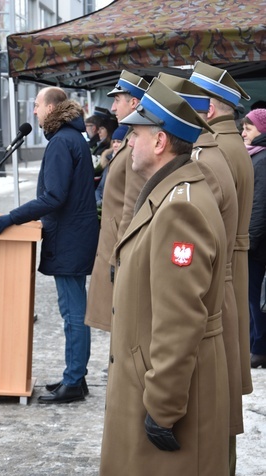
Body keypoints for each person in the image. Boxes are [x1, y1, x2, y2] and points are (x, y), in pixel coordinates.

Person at [97, 78, 233, 476]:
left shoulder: (180, 206)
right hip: (150, 379)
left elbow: (179, 321)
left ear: (159, 141)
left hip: (163, 392)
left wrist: (162, 408)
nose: (126, 139)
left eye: (134, 133)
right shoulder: (171, 193)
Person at [0, 86, 99, 404]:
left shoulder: (62, 141)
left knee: (73, 312)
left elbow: (53, 197)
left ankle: (74, 380)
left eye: (36, 105)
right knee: (73, 309)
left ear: (50, 108)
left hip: (70, 238)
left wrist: (13, 217)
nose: (33, 111)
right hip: (73, 235)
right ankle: (75, 376)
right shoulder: (69, 138)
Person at [157, 73, 243, 442]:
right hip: (221, 285)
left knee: (211, 433)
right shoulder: (216, 151)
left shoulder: (206, 160)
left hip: (212, 292)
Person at [189, 61, 254, 476]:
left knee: (216, 404)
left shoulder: (216, 154)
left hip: (221, 281)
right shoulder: (230, 146)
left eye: (193, 101)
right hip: (232, 277)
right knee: (224, 399)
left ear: (210, 108)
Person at [85, 70, 149, 332]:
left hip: (118, 244)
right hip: (112, 240)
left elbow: (132, 205)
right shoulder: (129, 138)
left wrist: (119, 256)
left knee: (123, 321)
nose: (113, 107)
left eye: (118, 100)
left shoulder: (136, 141)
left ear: (134, 102)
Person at [241, 109, 266, 368]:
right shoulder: (256, 156)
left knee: (256, 297)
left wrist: (249, 241)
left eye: (248, 129)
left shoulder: (262, 159)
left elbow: (259, 205)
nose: (243, 133)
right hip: (258, 240)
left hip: (258, 244)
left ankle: (259, 348)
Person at [95, 125, 129, 206]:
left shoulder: (127, 163)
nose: (115, 145)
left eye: (119, 141)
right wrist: (99, 201)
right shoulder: (108, 161)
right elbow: (99, 188)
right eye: (114, 141)